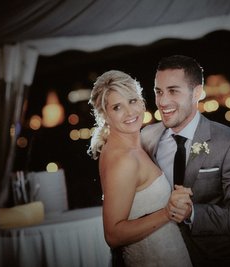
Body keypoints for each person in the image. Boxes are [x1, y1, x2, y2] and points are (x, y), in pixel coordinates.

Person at [141, 55, 230, 267]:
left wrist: (192, 213)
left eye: (173, 91)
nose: (163, 101)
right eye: (159, 91)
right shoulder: (147, 138)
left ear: (197, 93)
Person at [87, 70, 193, 267]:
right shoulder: (124, 160)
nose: (130, 112)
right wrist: (167, 212)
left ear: (143, 101)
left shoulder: (133, 145)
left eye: (133, 101)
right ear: (104, 115)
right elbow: (113, 235)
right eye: (117, 107)